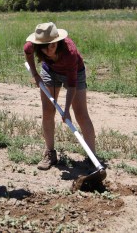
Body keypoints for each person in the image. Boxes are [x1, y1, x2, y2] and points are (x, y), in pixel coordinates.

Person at [24, 22, 95, 170]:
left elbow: (72, 85)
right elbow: (27, 53)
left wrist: (67, 109)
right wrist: (35, 74)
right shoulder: (31, 46)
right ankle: (50, 153)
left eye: (53, 45)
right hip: (50, 71)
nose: (49, 50)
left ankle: (92, 158)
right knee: (48, 112)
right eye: (45, 47)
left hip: (75, 74)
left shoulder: (70, 52)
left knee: (81, 115)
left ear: (58, 42)